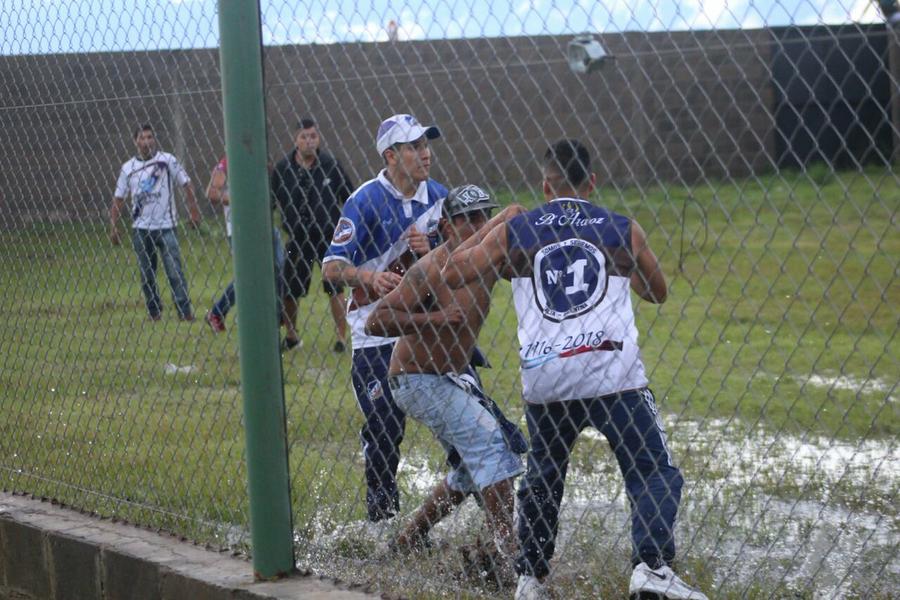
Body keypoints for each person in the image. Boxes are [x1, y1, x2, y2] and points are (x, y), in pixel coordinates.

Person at [443, 140, 707, 600]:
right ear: (592, 182)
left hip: (548, 374)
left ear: (545, 186)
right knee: (652, 470)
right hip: (611, 372)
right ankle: (651, 567)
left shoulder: (518, 231)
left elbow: (452, 272)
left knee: (544, 477)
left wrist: (500, 226)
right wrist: (619, 267)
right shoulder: (621, 228)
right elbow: (657, 292)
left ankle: (530, 578)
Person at [364, 186, 526, 572]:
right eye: (467, 218)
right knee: (490, 443)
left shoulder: (486, 259)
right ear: (447, 226)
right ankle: (510, 556)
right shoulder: (430, 269)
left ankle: (409, 539)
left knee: (471, 467)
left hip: (450, 377)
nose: (477, 224)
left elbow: (522, 251)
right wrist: (433, 318)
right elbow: (375, 320)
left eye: (482, 215)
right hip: (414, 379)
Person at [322, 113, 446, 523]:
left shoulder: (439, 198)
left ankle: (476, 504)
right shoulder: (364, 200)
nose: (426, 154)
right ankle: (383, 520)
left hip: (426, 329)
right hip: (375, 334)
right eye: (414, 147)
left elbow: (464, 258)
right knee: (385, 426)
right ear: (390, 156)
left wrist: (434, 248)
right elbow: (331, 268)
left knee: (465, 419)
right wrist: (369, 277)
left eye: (426, 145)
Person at [271, 118, 354, 352]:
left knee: (335, 287)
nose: (309, 141)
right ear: (295, 140)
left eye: (313, 136)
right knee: (289, 288)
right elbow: (270, 201)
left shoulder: (330, 165)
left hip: (328, 237)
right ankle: (292, 336)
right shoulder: (283, 169)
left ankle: (341, 338)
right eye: (304, 137)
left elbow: (349, 197)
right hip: (297, 237)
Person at [110, 124, 201, 321]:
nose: (146, 142)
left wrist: (193, 210)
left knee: (174, 272)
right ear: (135, 142)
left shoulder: (167, 160)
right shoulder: (128, 168)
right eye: (142, 138)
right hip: (141, 229)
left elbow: (186, 183)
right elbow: (119, 198)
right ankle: (154, 312)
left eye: (150, 137)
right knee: (147, 275)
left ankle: (185, 312)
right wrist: (114, 226)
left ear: (155, 139)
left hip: (167, 226)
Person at [203, 156, 286, 333]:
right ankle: (217, 312)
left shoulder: (260, 155)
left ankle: (278, 317)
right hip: (241, 229)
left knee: (279, 267)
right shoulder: (228, 162)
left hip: (264, 225)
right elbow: (212, 193)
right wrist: (241, 200)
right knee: (248, 275)